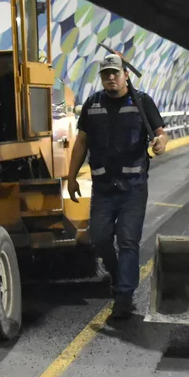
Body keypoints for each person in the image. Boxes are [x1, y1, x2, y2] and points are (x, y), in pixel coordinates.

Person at [65, 53, 168, 320]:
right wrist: (71, 175)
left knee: (128, 241)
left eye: (115, 73)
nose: (111, 78)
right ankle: (116, 272)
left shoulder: (142, 101)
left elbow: (160, 133)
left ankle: (124, 296)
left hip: (133, 186)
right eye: (105, 74)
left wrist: (160, 142)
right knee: (99, 239)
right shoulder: (92, 104)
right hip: (103, 186)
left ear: (126, 76)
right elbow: (81, 142)